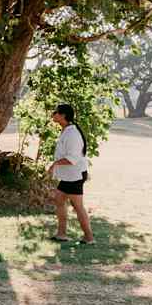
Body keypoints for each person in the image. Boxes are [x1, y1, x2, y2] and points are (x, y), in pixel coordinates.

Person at [49, 103, 94, 244]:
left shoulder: (72, 133)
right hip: (69, 176)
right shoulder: (66, 130)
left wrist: (54, 164)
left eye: (55, 112)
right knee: (59, 200)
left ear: (63, 115)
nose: (53, 114)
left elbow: (72, 159)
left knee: (78, 206)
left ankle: (89, 238)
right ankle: (61, 234)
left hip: (75, 175)